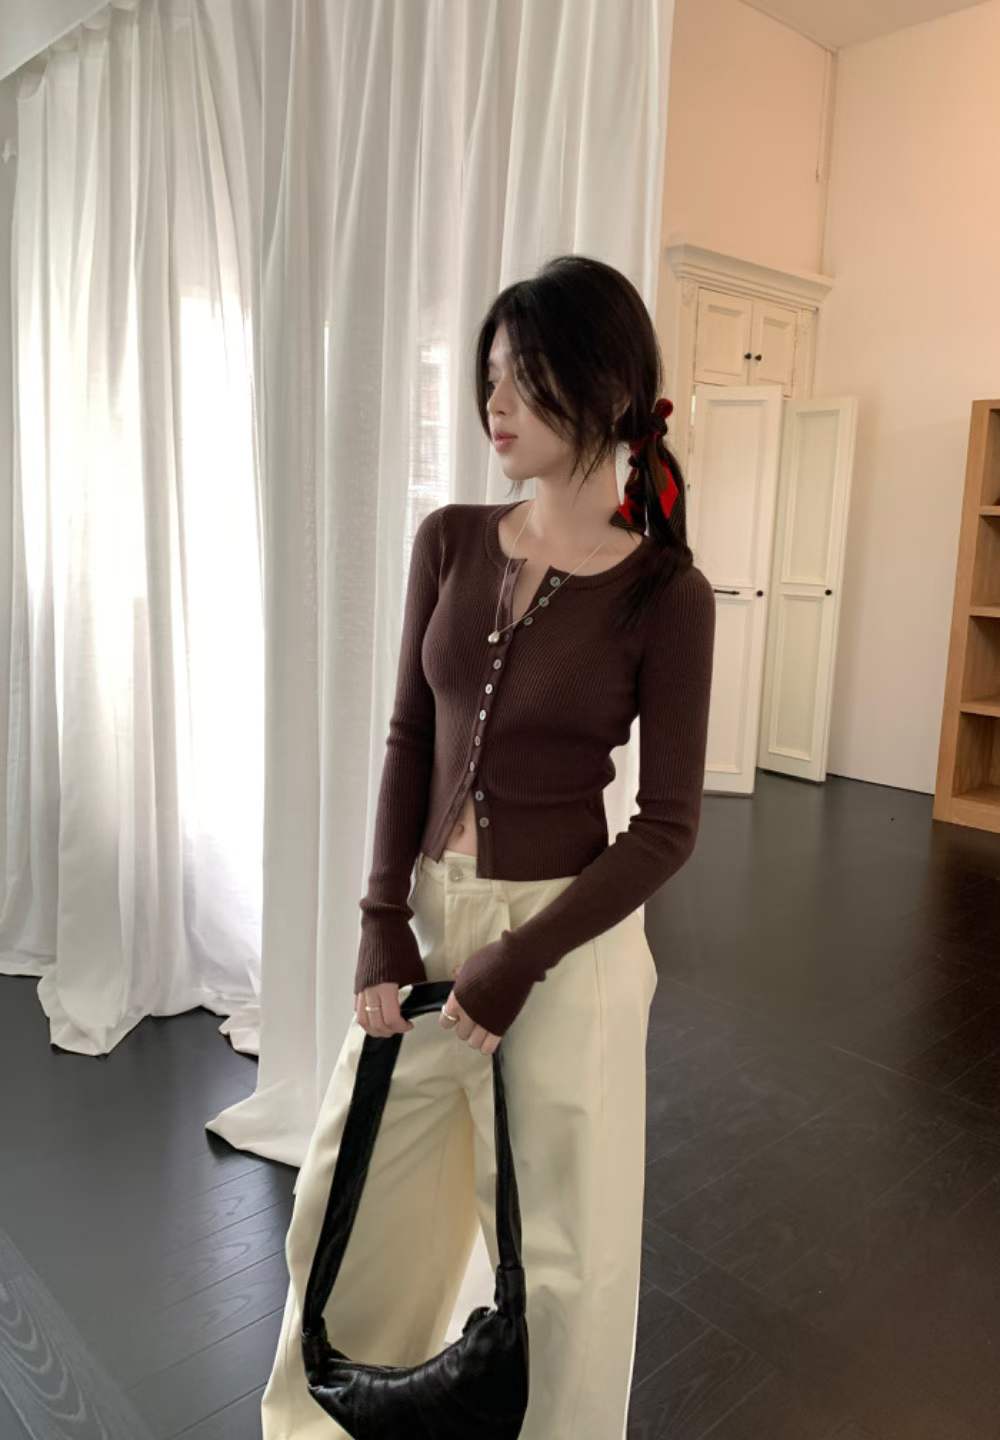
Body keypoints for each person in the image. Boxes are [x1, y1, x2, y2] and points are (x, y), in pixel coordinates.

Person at [260, 253, 716, 1439]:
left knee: (566, 1261)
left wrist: (524, 957)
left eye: (524, 377)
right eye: (490, 376)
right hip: (432, 920)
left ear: (605, 388)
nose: (492, 403)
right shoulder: (452, 541)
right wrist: (381, 918)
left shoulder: (667, 595)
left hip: (567, 942)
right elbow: (411, 735)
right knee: (345, 1201)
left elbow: (668, 827)